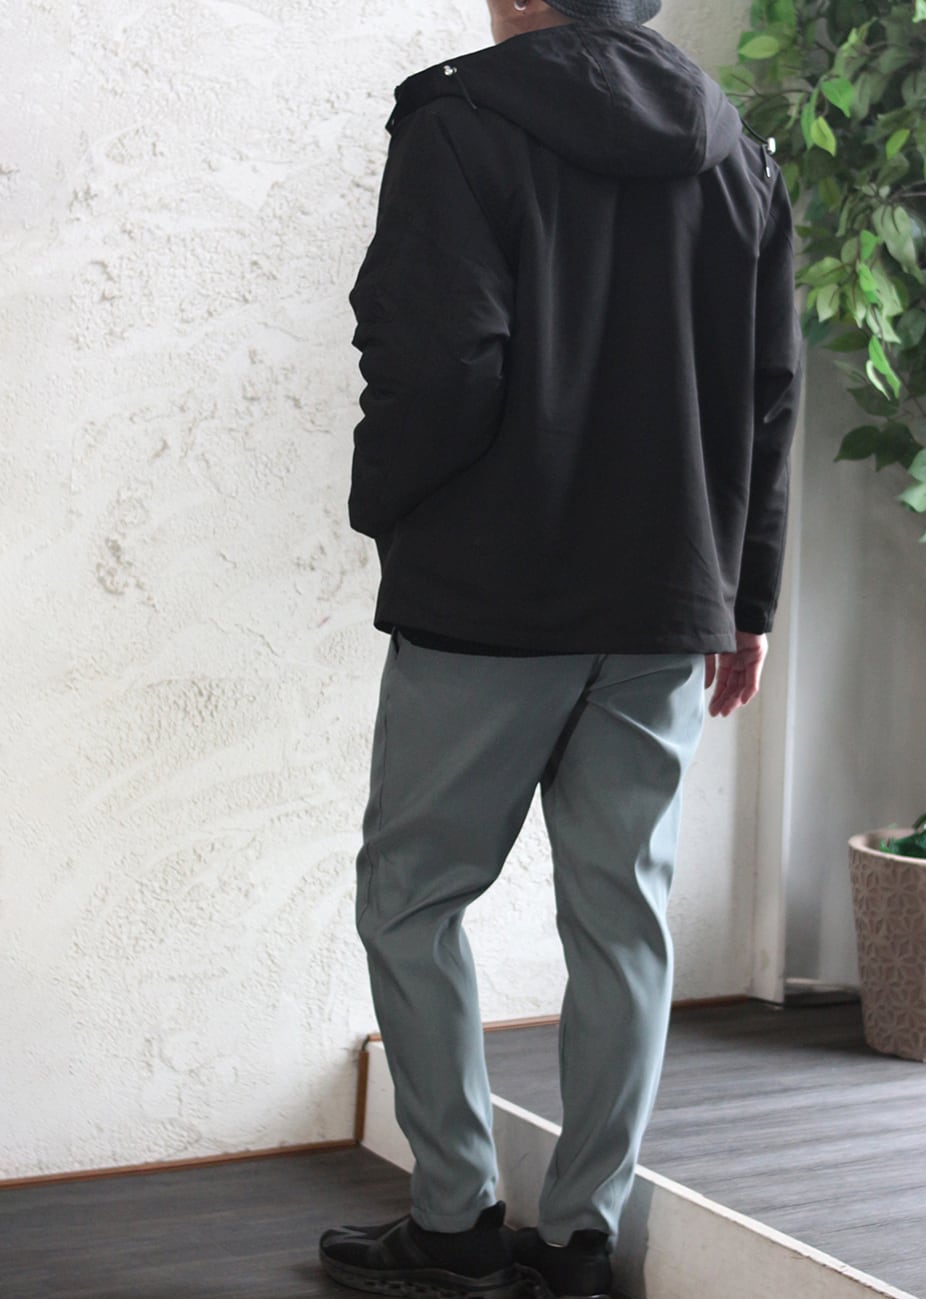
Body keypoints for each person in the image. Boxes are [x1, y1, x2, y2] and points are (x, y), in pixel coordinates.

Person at [319, 0, 802, 1295]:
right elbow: (768, 398)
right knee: (624, 921)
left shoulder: (455, 121)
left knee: (412, 901)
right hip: (665, 608)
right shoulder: (741, 157)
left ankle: (455, 1224)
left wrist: (384, 509)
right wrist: (746, 601)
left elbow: (439, 362)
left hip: (487, 603)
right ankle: (584, 1244)